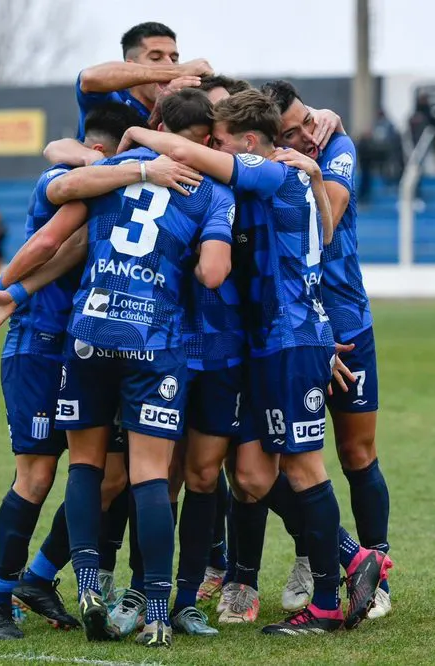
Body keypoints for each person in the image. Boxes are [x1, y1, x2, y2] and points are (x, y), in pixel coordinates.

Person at [119, 89, 385, 636]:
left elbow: (192, 158)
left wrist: (139, 137)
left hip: (289, 340)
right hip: (281, 342)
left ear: (245, 144)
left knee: (303, 469)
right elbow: (324, 234)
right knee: (256, 475)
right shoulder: (293, 179)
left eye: (220, 140)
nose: (211, 147)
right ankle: (353, 559)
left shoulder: (272, 172)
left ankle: (332, 600)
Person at [0, 103, 152, 641]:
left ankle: (40, 577)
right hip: (37, 345)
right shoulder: (61, 177)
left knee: (110, 477)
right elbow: (50, 238)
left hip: (87, 348)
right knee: (39, 475)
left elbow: (73, 248)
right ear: (100, 154)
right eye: (120, 159)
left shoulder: (108, 198)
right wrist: (9, 293)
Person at [259, 79, 394, 620]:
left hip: (346, 321)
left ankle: (377, 570)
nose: (309, 132)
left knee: (356, 453)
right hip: (293, 329)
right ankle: (316, 556)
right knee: (281, 460)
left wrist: (308, 155)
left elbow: (329, 221)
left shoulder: (335, 147)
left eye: (309, 118)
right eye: (294, 131)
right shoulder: (263, 169)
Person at [75, 22, 212, 140]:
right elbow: (89, 78)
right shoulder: (111, 99)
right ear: (130, 65)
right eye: (155, 58)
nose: (169, 64)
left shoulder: (183, 104)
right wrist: (179, 71)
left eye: (174, 59)